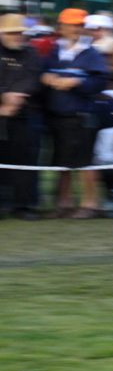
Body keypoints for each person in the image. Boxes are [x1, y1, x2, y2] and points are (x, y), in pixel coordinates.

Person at [40, 8, 109, 219]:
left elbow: (100, 82)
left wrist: (77, 81)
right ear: (61, 27)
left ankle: (90, 204)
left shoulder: (91, 53)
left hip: (82, 115)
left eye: (79, 25)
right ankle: (64, 203)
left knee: (84, 162)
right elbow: (42, 71)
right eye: (72, 25)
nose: (76, 29)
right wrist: (45, 78)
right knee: (61, 162)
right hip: (58, 115)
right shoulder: (54, 51)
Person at [0, 14, 41, 219]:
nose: (17, 36)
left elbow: (33, 78)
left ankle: (23, 206)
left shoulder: (31, 52)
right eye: (12, 33)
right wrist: (4, 96)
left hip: (23, 115)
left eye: (20, 32)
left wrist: (16, 96)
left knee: (24, 162)